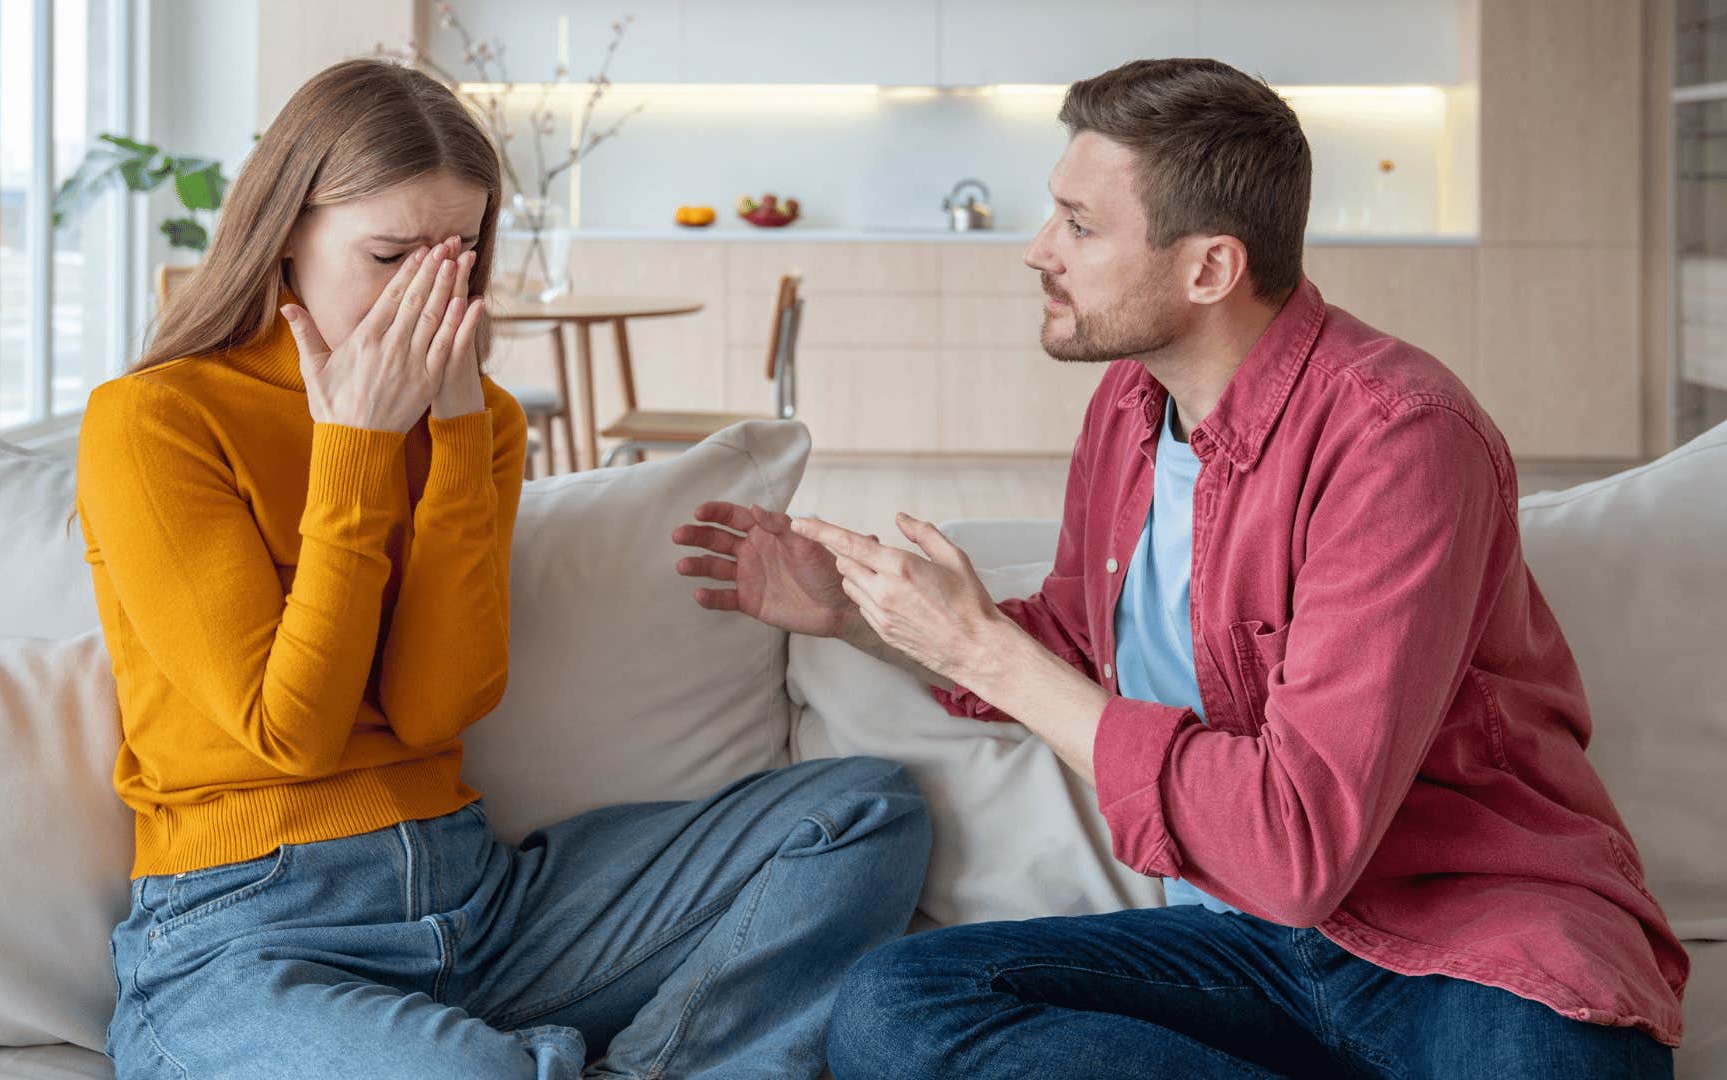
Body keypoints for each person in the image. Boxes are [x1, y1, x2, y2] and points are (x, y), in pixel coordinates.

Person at [674, 58, 1686, 1079]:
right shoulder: (1129, 406)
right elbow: (1075, 645)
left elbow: (1295, 852)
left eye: (1079, 225)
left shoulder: (1399, 438)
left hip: (1470, 943)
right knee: (898, 1004)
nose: (1037, 252)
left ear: (1208, 269)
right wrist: (859, 614)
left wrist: (985, 654)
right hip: (1248, 951)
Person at [77, 57, 930, 1080]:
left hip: (480, 904)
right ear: (286, 233)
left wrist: (444, 436)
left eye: (455, 258)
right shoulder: (158, 418)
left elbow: (435, 709)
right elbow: (288, 734)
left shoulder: (481, 421)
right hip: (249, 935)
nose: (427, 299)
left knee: (862, 810)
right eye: (389, 255)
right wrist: (353, 443)